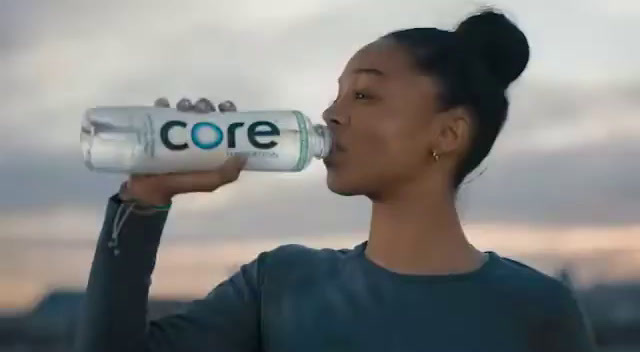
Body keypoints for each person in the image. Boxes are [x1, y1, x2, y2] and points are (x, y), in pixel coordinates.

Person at [76, 9, 597, 352]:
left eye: (364, 95)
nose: (330, 113)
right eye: (337, 94)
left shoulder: (540, 312)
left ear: (449, 131)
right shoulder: (278, 283)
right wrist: (145, 198)